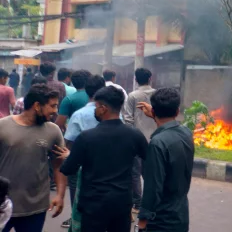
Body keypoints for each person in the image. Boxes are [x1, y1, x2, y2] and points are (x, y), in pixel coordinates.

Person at [57, 86, 147, 232]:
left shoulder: (86, 137)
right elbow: (148, 158)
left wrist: (70, 157)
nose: (95, 110)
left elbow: (68, 168)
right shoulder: (134, 135)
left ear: (103, 108)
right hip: (122, 203)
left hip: (93, 204)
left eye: (96, 106)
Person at [0, 84, 66, 232]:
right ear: (37, 106)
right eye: (52, 106)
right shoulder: (3, 126)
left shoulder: (53, 131)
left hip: (35, 207)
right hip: (2, 205)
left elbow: (58, 165)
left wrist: (60, 195)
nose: (56, 111)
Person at [134, 88, 194, 232]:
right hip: (180, 215)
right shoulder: (186, 133)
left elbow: (153, 187)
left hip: (161, 220)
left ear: (153, 112)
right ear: (177, 111)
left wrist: (143, 220)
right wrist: (155, 116)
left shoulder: (157, 143)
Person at [60, 74, 105, 230]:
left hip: (80, 166)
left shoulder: (78, 114)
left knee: (77, 196)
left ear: (88, 91)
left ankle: (77, 221)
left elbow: (69, 143)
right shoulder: (112, 113)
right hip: (106, 165)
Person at [121, 68, 156, 213]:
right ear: (150, 78)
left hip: (136, 139)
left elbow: (128, 119)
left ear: (136, 79)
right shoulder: (157, 94)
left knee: (135, 172)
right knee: (150, 173)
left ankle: (138, 203)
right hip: (154, 139)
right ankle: (151, 201)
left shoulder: (133, 96)